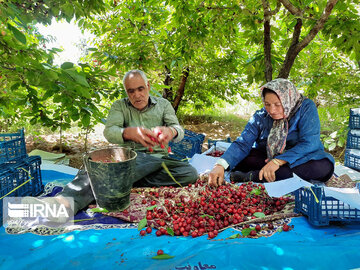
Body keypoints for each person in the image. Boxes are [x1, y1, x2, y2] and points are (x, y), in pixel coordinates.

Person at [25, 70, 198, 219]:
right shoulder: (119, 106)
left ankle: (122, 181)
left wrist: (171, 132)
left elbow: (178, 129)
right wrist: (127, 132)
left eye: (140, 89)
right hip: (126, 160)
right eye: (131, 91)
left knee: (189, 173)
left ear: (148, 86)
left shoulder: (164, 105)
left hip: (159, 162)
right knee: (120, 165)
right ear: (126, 92)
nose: (137, 95)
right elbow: (109, 131)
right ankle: (65, 203)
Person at [208, 78, 334, 187]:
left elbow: (310, 143)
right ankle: (269, 174)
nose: (272, 110)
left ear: (287, 100)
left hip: (301, 158)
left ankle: (254, 176)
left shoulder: (306, 108)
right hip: (268, 158)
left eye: (277, 104)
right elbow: (242, 144)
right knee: (241, 158)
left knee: (322, 167)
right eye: (267, 104)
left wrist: (278, 161)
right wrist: (220, 165)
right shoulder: (261, 116)